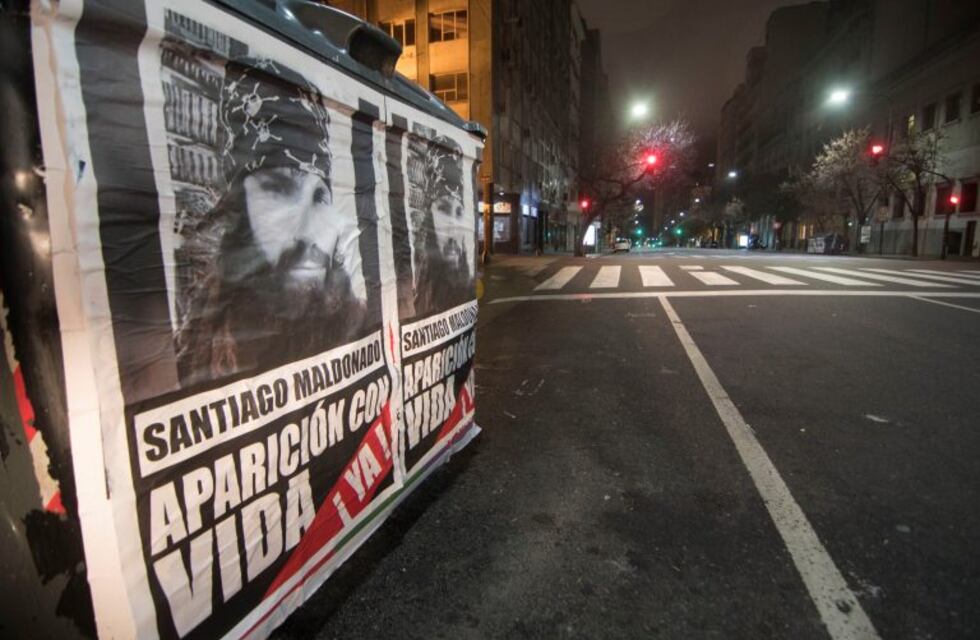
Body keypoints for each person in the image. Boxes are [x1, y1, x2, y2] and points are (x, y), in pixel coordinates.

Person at [176, 59, 367, 386]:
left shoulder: (358, 323)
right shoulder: (199, 344)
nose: (309, 233)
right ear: (238, 205)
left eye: (320, 197)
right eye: (278, 188)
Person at [408, 134, 475, 317]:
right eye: (444, 209)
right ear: (429, 214)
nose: (454, 229)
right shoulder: (416, 287)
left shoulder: (466, 282)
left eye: (459, 213)